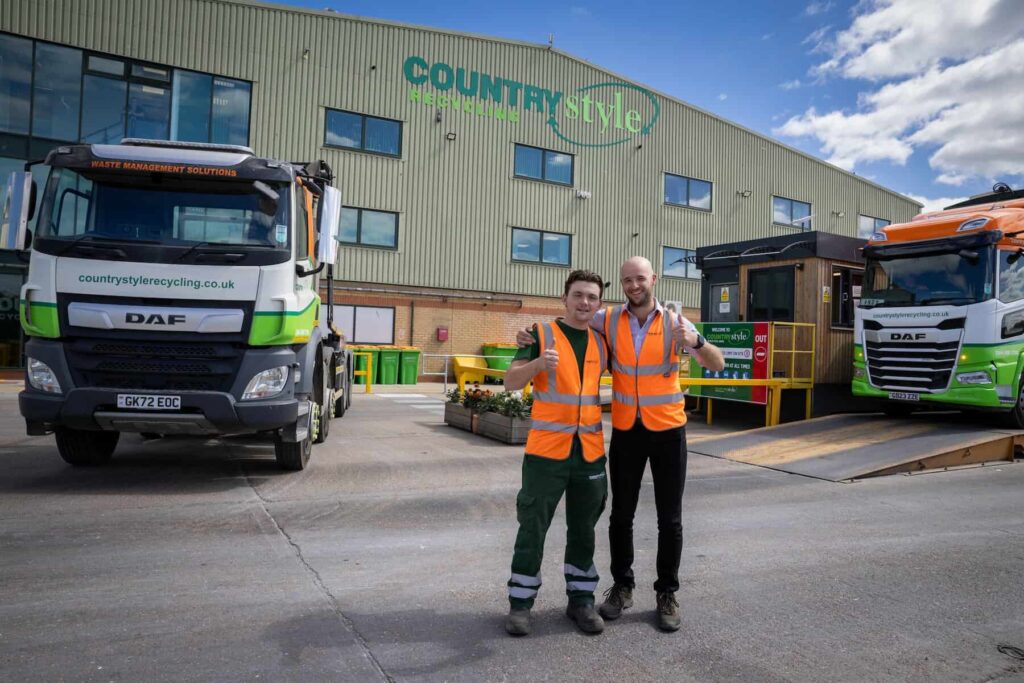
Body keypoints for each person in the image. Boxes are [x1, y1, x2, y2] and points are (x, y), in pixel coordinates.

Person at [516, 256, 724, 632]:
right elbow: (571, 321)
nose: (633, 285)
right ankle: (622, 587)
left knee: (670, 518)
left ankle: (666, 593)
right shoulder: (608, 319)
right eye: (627, 280)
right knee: (620, 516)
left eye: (640, 279)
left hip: (668, 431)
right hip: (627, 431)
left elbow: (718, 363)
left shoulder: (676, 321)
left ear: (653, 280)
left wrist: (696, 340)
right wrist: (527, 336)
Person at [503, 269, 609, 637]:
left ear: (599, 304)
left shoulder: (601, 342)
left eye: (592, 297)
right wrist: (536, 364)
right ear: (564, 298)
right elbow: (510, 381)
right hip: (546, 454)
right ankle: (520, 605)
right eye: (578, 295)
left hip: (590, 454)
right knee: (533, 527)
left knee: (584, 530)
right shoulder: (539, 333)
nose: (584, 303)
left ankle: (581, 601)